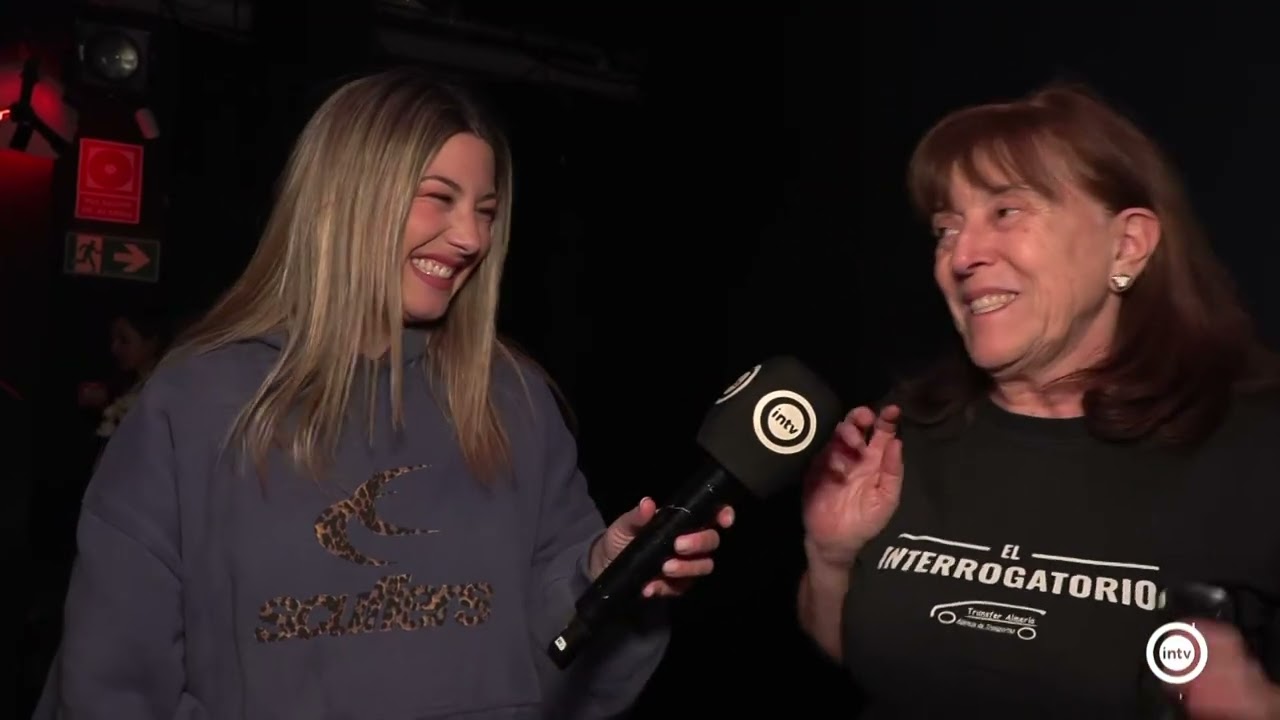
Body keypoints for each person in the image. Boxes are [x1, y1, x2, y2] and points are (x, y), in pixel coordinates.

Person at [35, 68, 733, 719]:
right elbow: (110, 684)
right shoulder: (197, 402)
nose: (471, 237)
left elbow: (564, 671)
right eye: (440, 198)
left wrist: (604, 581)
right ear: (343, 199)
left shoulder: (513, 402)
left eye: (486, 210)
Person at [797, 84, 1280, 719]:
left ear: (1127, 245)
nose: (961, 256)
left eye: (1006, 211)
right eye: (946, 229)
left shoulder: (1256, 447)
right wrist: (830, 558)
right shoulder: (908, 426)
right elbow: (857, 653)